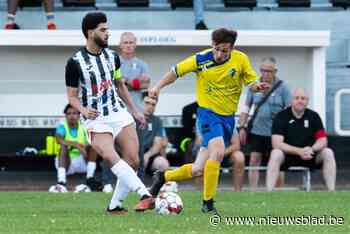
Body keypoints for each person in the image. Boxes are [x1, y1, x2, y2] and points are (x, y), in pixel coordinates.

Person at [148, 28, 269, 214]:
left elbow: (251, 83)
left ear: (232, 49)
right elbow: (175, 71)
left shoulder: (241, 59)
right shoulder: (200, 59)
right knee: (219, 152)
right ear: (212, 45)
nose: (220, 54)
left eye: (225, 50)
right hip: (207, 115)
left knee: (198, 169)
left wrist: (257, 86)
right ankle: (208, 204)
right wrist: (157, 86)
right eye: (217, 49)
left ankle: (163, 176)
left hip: (228, 118)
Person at [65, 12, 154, 215]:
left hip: (118, 113)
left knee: (134, 160)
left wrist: (135, 110)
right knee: (111, 155)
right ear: (90, 32)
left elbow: (120, 85)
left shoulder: (112, 57)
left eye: (107, 29)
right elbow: (71, 96)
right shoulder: (75, 62)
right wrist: (83, 110)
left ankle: (114, 206)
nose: (108, 34)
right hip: (95, 119)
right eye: (103, 30)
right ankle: (145, 194)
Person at [266, 88, 336, 191]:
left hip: (310, 155)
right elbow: (276, 143)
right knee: (275, 153)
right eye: (297, 98)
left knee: (328, 152)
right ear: (291, 100)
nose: (300, 101)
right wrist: (299, 151)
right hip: (288, 156)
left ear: (307, 101)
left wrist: (311, 149)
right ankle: (269, 192)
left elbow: (323, 140)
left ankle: (332, 192)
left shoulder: (314, 116)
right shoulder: (281, 116)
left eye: (303, 98)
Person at [238, 57, 292, 191]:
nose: (265, 74)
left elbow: (289, 110)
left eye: (269, 71)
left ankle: (277, 191)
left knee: (277, 162)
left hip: (276, 133)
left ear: (275, 71)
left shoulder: (283, 87)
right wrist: (242, 127)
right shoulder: (254, 86)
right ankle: (253, 192)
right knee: (254, 160)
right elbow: (246, 108)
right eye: (263, 70)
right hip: (257, 131)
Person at [55, 104, 101, 191]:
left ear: (79, 115)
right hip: (67, 163)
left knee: (93, 147)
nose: (72, 116)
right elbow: (59, 140)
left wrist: (85, 147)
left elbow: (92, 141)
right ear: (65, 115)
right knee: (63, 148)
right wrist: (76, 144)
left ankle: (90, 178)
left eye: (74, 113)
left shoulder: (84, 126)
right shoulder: (62, 126)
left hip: (82, 160)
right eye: (69, 113)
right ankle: (61, 182)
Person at [137, 94, 170, 178]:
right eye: (147, 103)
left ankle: (159, 186)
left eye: (153, 104)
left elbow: (158, 144)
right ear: (140, 103)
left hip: (149, 153)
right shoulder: (131, 118)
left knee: (163, 164)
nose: (150, 107)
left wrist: (147, 155)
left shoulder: (157, 121)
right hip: (134, 153)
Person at [119, 32, 150, 112]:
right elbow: (114, 86)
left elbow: (145, 84)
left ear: (135, 45)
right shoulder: (114, 63)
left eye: (131, 42)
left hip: (138, 110)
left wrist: (124, 81)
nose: (128, 45)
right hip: (119, 110)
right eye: (125, 43)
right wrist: (134, 83)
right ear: (120, 45)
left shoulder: (142, 65)